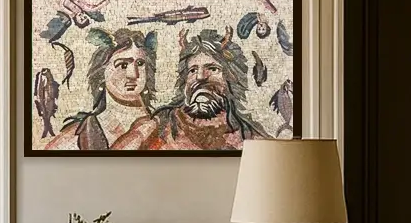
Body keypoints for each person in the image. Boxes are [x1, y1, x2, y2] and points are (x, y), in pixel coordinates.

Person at [110, 26, 267, 151]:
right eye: (192, 70)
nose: (200, 77)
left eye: (212, 68)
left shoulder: (250, 138)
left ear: (232, 78)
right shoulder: (158, 126)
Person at [45, 28, 157, 151]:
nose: (133, 74)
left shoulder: (168, 125)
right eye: (123, 65)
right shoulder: (77, 135)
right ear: (102, 73)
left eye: (140, 63)